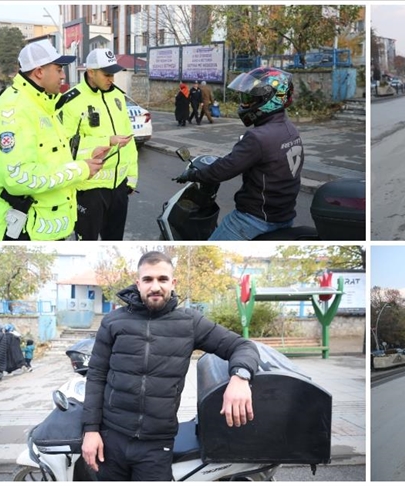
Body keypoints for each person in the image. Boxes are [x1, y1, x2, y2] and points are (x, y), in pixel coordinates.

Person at [81, 251, 261, 481]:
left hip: (156, 446)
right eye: (148, 279)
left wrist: (240, 378)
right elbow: (96, 377)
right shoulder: (113, 322)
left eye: (162, 279)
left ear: (172, 283)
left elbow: (242, 346)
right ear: (138, 283)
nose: (155, 286)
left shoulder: (190, 323)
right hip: (111, 439)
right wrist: (90, 430)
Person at [0, 39, 107, 241]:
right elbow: (18, 176)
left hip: (48, 225)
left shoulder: (43, 105)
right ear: (39, 72)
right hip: (23, 230)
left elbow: (51, 157)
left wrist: (86, 159)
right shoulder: (12, 112)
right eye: (58, 69)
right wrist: (80, 169)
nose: (63, 75)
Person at [174, 67, 303, 240]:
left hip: (254, 219)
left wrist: (194, 175)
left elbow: (225, 169)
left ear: (269, 99)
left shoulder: (258, 137)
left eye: (250, 98)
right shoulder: (290, 129)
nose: (245, 103)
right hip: (284, 216)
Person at [56, 48, 137, 242]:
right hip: (89, 189)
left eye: (113, 74)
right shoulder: (71, 101)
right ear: (91, 72)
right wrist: (105, 141)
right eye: (106, 74)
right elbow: (64, 146)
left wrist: (132, 178)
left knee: (115, 243)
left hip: (119, 187)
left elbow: (129, 139)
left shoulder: (117, 96)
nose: (112, 79)